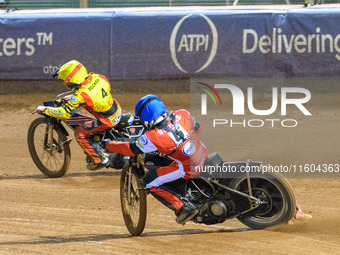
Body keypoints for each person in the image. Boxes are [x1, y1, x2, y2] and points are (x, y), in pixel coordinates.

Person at [105, 94, 207, 224]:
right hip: (202, 153)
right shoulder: (182, 113)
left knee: (149, 181)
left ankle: (183, 207)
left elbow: (130, 149)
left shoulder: (153, 136)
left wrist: (108, 145)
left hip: (188, 168)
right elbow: (198, 129)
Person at [36, 60, 122, 170]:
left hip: (107, 120)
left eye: (65, 81)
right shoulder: (99, 77)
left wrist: (45, 109)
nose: (65, 83)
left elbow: (65, 113)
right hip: (117, 109)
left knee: (80, 132)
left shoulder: (80, 95)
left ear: (71, 80)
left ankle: (99, 159)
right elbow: (90, 92)